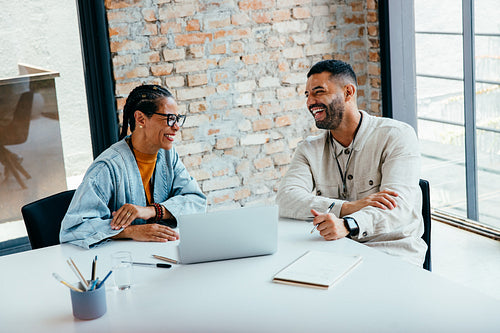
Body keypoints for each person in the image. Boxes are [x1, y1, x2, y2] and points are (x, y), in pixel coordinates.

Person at [276, 60, 427, 266]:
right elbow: (285, 199)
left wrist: (348, 224)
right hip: (336, 249)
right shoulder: (309, 149)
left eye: (318, 92)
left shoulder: (397, 136)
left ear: (348, 92)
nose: (310, 102)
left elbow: (397, 207)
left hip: (393, 252)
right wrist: (347, 208)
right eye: (307, 95)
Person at [60, 84, 207, 249]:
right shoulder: (107, 168)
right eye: (169, 118)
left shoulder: (168, 156)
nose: (177, 127)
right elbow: (73, 228)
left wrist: (152, 211)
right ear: (141, 119)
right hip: (121, 263)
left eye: (177, 119)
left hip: (162, 253)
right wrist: (131, 231)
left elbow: (197, 201)